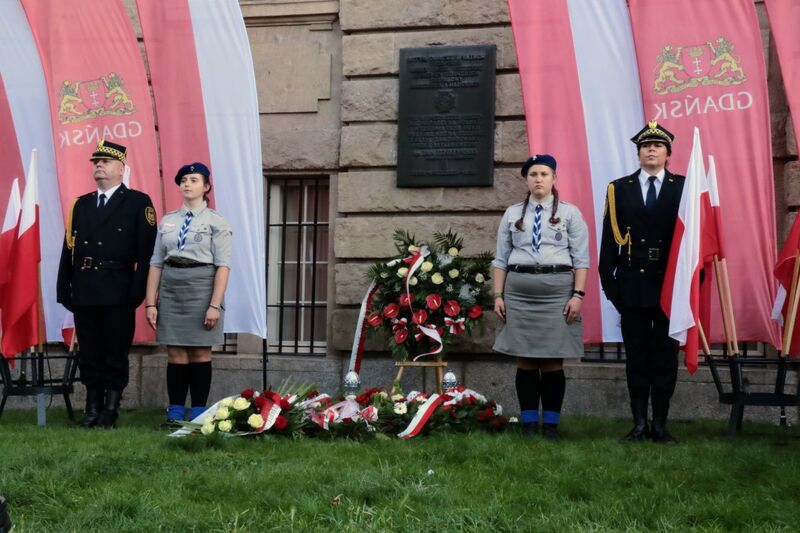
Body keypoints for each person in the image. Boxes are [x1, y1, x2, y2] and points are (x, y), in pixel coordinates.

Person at [57, 140, 157, 429]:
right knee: (90, 352)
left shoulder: (139, 202)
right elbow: (69, 248)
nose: (98, 166)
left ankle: (110, 410)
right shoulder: (82, 204)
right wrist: (64, 287)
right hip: (85, 287)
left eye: (105, 162)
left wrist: (137, 291)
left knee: (114, 351)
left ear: (121, 168)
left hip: (118, 288)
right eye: (96, 162)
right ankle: (91, 409)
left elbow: (146, 253)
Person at [492, 154, 590, 441]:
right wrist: (498, 295)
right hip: (519, 292)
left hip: (557, 293)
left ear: (554, 178)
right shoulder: (512, 214)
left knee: (551, 361)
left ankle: (550, 426)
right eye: (533, 174)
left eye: (544, 174)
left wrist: (578, 295)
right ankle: (527, 423)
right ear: (526, 179)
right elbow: (500, 259)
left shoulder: (570, 214)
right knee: (524, 360)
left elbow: (581, 259)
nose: (538, 179)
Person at [599, 120, 685, 443]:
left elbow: (693, 244)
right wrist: (612, 287)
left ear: (668, 154)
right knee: (636, 357)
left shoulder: (684, 187)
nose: (651, 149)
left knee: (664, 357)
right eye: (645, 146)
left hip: (668, 289)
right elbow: (610, 242)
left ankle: (660, 424)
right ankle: (638, 424)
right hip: (633, 288)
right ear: (638, 154)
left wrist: (689, 287)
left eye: (658, 146)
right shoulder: (619, 189)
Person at [145, 162, 232, 424]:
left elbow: (223, 266)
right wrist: (151, 303)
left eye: (194, 180)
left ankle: (198, 412)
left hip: (202, 286)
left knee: (200, 352)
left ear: (206, 187)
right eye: (183, 180)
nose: (187, 184)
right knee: (175, 352)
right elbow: (156, 262)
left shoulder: (217, 221)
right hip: (172, 286)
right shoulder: (168, 220)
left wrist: (214, 305)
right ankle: (174, 411)